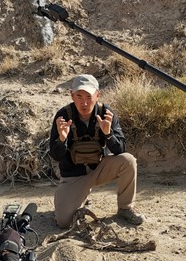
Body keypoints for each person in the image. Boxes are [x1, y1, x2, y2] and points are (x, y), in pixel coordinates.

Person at [48, 74, 145, 228]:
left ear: (98, 95)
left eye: (89, 96)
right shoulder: (63, 116)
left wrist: (108, 134)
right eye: (79, 96)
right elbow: (55, 155)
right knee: (64, 222)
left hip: (99, 169)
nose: (84, 102)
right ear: (71, 95)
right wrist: (61, 139)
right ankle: (72, 197)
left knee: (128, 161)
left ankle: (125, 208)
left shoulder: (106, 113)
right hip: (74, 175)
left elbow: (120, 149)